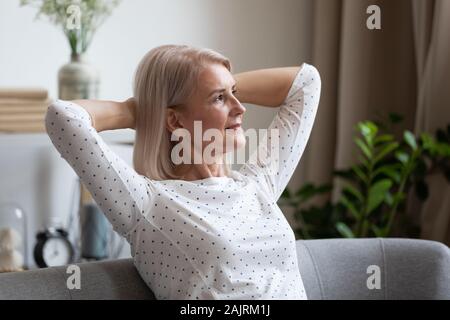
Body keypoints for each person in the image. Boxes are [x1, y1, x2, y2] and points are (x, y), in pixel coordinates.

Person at [45, 44, 321, 299]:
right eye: (219, 99)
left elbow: (306, 83)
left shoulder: (257, 185)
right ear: (174, 119)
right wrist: (144, 107)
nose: (240, 108)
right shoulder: (147, 204)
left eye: (234, 93)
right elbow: (64, 117)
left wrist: (215, 87)